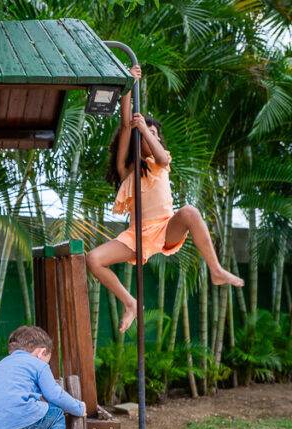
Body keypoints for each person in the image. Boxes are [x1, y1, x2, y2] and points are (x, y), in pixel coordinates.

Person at [86, 65, 243, 333]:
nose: (153, 138)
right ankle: (130, 303)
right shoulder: (129, 171)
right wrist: (128, 85)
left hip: (165, 227)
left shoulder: (161, 164)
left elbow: (160, 154)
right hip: (136, 235)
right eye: (148, 135)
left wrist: (145, 129)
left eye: (156, 135)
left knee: (190, 212)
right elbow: (125, 125)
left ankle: (216, 270)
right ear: (137, 140)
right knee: (93, 259)